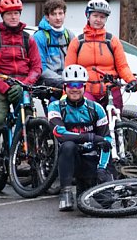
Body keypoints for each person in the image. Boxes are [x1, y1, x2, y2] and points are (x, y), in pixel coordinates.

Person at [0, 0, 42, 175]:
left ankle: (28, 156)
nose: (13, 17)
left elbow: (37, 67)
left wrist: (24, 85)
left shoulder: (28, 39)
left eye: (16, 13)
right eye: (9, 14)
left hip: (22, 87)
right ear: (3, 16)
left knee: (29, 121)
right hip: (0, 88)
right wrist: (5, 88)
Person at [47, 65, 113, 211]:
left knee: (108, 202)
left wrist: (102, 168)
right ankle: (66, 193)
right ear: (65, 87)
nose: (74, 89)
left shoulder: (96, 108)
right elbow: (61, 134)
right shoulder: (56, 107)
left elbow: (106, 141)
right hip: (70, 160)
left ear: (84, 87)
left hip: (92, 159)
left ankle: (85, 184)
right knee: (68, 146)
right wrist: (90, 137)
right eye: (71, 85)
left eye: (78, 85)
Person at [65, 0, 137, 110]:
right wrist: (66, 92)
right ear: (88, 16)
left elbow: (122, 66)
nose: (98, 20)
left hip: (111, 89)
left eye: (102, 17)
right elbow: (68, 70)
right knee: (88, 116)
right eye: (95, 16)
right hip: (86, 90)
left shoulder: (112, 41)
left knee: (115, 118)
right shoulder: (77, 42)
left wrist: (131, 80)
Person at [33, 0, 74, 87]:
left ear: (64, 15)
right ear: (47, 17)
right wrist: (62, 80)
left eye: (60, 13)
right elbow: (40, 67)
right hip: (49, 82)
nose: (58, 18)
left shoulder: (69, 34)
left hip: (67, 80)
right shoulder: (39, 37)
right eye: (53, 14)